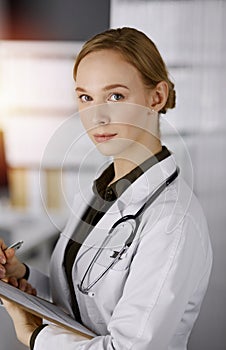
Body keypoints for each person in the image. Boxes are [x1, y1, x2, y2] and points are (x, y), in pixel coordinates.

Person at [0, 27, 212, 350]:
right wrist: (24, 276)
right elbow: (84, 303)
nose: (96, 116)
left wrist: (35, 336)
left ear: (156, 97)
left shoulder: (172, 222)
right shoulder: (103, 189)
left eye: (115, 96)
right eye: (86, 97)